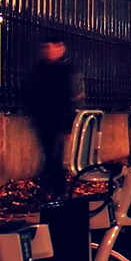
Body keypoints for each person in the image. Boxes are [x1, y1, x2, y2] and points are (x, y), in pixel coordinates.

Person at [27, 36, 78, 197]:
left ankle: (55, 188)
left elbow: (71, 97)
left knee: (54, 155)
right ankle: (55, 188)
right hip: (44, 118)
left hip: (58, 119)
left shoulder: (64, 71)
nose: (49, 51)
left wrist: (69, 122)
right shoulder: (39, 70)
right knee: (51, 154)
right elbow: (30, 91)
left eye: (52, 47)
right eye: (46, 47)